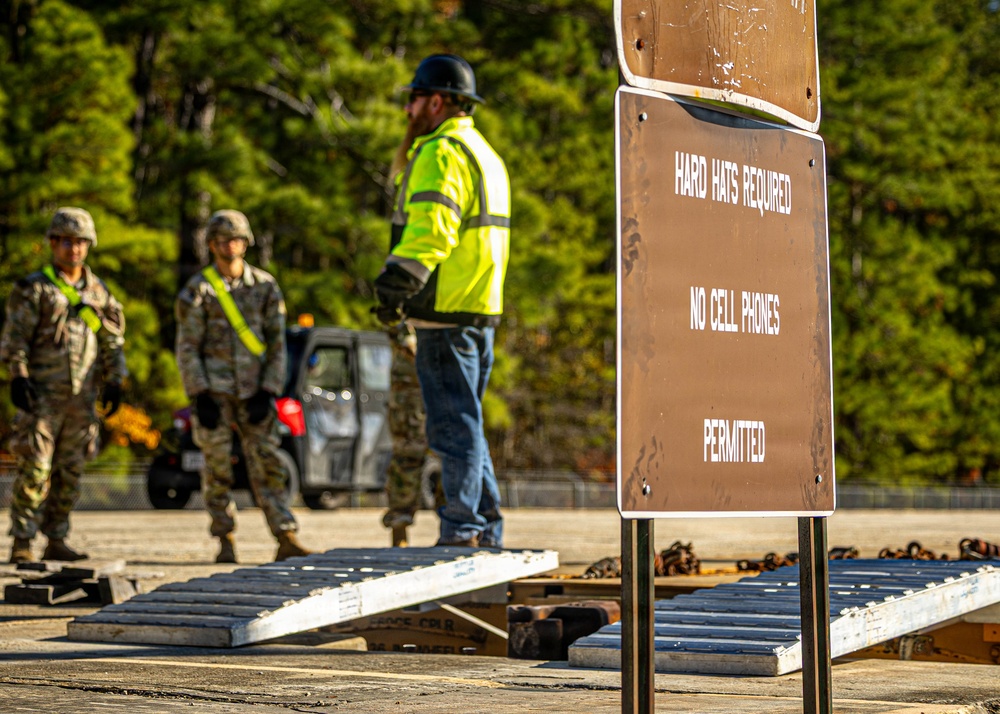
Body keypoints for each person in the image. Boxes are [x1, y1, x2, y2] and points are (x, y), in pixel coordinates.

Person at [374, 54, 511, 548]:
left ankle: (462, 529)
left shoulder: (440, 151)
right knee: (468, 424)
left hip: (444, 313)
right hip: (478, 309)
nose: (408, 109)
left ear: (435, 101)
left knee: (454, 429)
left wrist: (396, 284)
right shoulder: (485, 154)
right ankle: (486, 526)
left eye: (413, 99)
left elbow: (433, 232)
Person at [175, 209, 313, 563]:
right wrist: (199, 394)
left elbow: (276, 343)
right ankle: (225, 539)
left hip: (255, 392)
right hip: (214, 395)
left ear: (246, 243)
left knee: (268, 463)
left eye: (236, 239)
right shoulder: (199, 290)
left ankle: (285, 535)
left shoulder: (265, 287)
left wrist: (269, 390)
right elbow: (187, 347)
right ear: (211, 245)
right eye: (222, 240)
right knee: (217, 468)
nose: (230, 246)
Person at [1, 207, 127, 563]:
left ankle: (56, 536)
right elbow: (15, 339)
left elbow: (113, 341)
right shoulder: (34, 288)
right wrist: (18, 375)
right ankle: (23, 541)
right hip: (41, 396)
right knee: (36, 468)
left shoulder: (100, 293)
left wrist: (115, 380)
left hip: (82, 399)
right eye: (67, 241)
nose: (74, 249)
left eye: (81, 242)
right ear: (53, 243)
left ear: (89, 246)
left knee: (70, 471)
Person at [381, 323, 437, 547]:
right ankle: (399, 531)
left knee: (450, 459)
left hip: (442, 382)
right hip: (410, 390)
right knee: (406, 459)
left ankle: (454, 532)